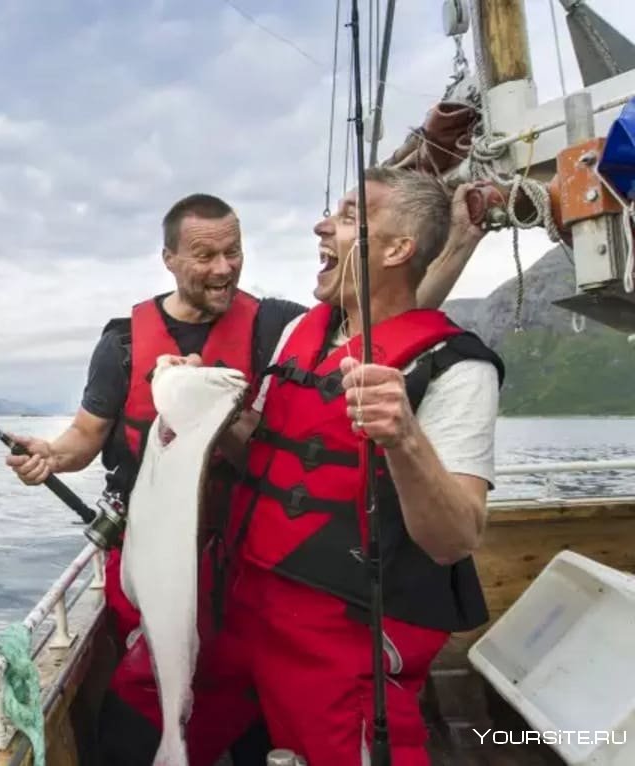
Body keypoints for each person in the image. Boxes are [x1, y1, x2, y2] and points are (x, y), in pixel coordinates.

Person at [5, 184, 489, 764]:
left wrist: (404, 435)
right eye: (206, 256)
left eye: (232, 252)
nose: (224, 267)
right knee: (130, 732)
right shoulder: (273, 338)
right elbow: (247, 443)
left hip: (335, 630)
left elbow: (455, 537)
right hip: (233, 601)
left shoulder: (440, 365)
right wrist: (190, 405)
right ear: (170, 260)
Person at [213, 166, 505, 765]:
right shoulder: (301, 330)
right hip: (249, 610)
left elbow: (456, 538)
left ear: (398, 249)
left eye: (349, 217)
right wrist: (204, 418)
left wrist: (404, 439)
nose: (323, 225)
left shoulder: (457, 369)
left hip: (347, 643)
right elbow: (260, 452)